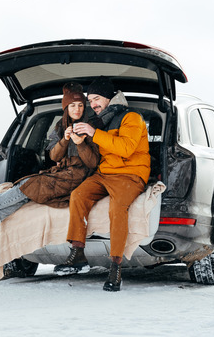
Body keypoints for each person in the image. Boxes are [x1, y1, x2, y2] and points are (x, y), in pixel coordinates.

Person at [53, 76, 150, 292]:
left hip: (131, 175)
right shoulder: (100, 121)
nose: (93, 104)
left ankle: (115, 266)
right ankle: (77, 253)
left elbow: (125, 148)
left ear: (108, 97)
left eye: (96, 99)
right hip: (105, 173)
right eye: (91, 100)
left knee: (117, 208)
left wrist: (94, 133)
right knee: (78, 195)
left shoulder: (131, 118)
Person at [0, 82, 101, 228]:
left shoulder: (91, 127)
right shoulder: (60, 127)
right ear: (66, 108)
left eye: (80, 105)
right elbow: (54, 157)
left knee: (30, 185)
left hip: (79, 176)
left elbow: (93, 163)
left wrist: (81, 143)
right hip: (63, 173)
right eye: (73, 105)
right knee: (28, 185)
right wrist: (65, 140)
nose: (77, 109)